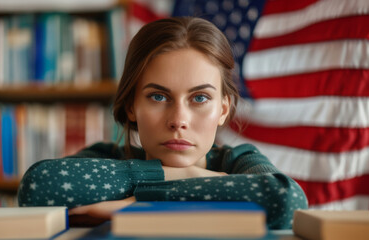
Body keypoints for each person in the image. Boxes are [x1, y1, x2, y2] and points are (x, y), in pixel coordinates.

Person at [17, 17, 308, 229]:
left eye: (199, 98)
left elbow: (287, 200)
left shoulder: (239, 161)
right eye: (158, 96)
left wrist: (140, 200)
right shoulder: (106, 158)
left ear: (222, 109)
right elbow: (38, 187)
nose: (178, 120)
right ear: (132, 106)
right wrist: (186, 175)